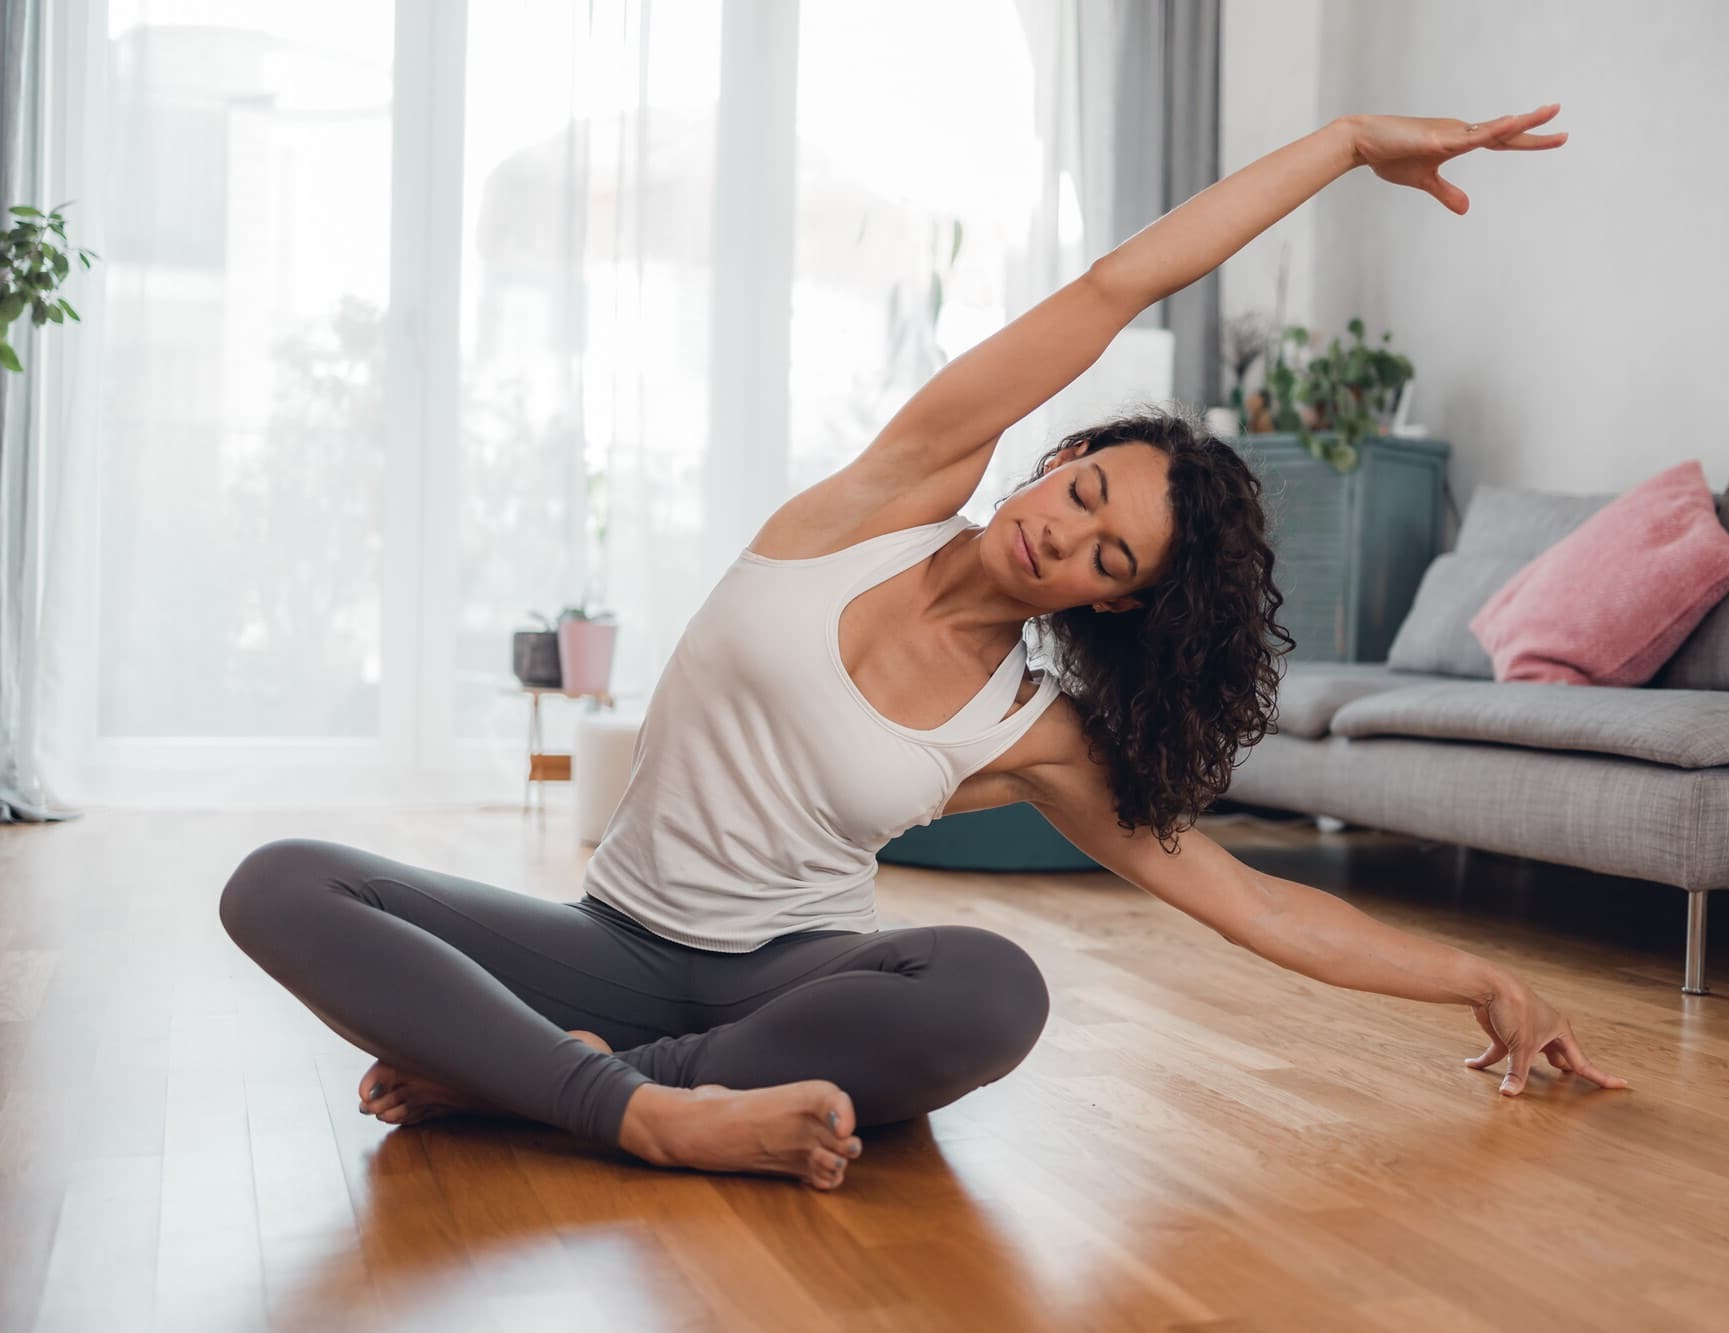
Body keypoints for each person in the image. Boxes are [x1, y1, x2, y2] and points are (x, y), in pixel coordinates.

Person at [220, 103, 1624, 1195]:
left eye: (1109, 557)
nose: (1065, 539)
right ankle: (636, 1106)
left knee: (995, 987)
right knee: (280, 883)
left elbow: (1255, 905)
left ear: (1120, 604)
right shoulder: (889, 494)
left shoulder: (1035, 730)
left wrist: (1481, 976)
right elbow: (1113, 285)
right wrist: (1343, 143)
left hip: (787, 986)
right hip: (607, 942)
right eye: (1081, 492)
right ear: (1055, 458)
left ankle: (557, 1086)